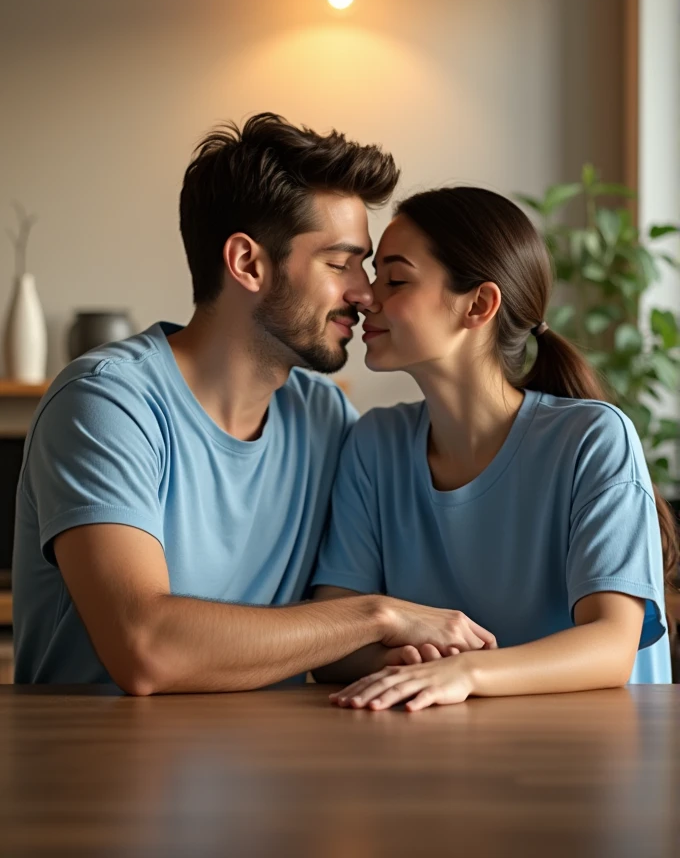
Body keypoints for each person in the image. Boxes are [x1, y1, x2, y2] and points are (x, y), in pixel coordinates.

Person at [12, 115, 493, 692]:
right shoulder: (106, 405)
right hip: (106, 771)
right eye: (340, 264)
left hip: (276, 769)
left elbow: (335, 639)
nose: (365, 294)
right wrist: (379, 614)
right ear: (247, 264)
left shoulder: (325, 417)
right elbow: (145, 648)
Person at [312, 185, 678, 710]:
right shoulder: (374, 446)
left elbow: (611, 645)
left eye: (395, 279)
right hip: (442, 757)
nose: (367, 296)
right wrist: (399, 665)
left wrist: (463, 672)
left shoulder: (592, 440)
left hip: (596, 763)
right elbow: (332, 644)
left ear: (479, 304)